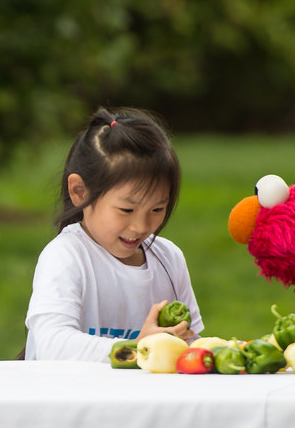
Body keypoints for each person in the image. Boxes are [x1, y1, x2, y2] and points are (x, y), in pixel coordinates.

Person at [23, 107, 203, 362]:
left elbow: (190, 344)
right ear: (79, 192)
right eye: (126, 209)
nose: (141, 226)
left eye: (157, 209)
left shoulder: (169, 259)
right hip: (71, 401)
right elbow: (53, 345)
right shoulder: (66, 256)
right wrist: (136, 348)